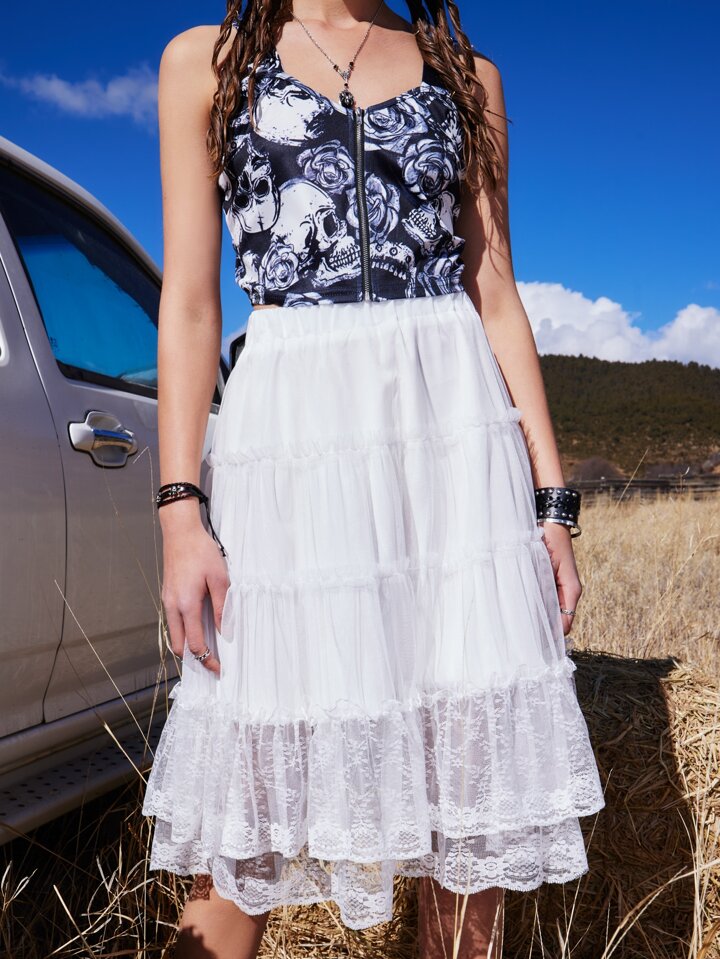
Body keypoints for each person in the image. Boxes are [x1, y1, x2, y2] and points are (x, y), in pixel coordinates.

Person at [141, 1, 606, 957]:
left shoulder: (467, 76)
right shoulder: (204, 63)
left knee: (469, 764)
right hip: (291, 437)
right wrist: (180, 509)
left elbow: (496, 292)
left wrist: (552, 504)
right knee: (249, 780)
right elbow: (188, 302)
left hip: (452, 435)